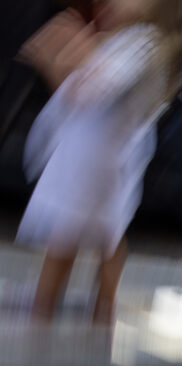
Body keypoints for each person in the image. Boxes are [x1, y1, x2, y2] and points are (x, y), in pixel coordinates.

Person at [15, 0, 165, 324]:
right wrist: (60, 57)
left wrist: (66, 50)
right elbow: (72, 93)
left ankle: (51, 312)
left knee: (73, 235)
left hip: (101, 162)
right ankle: (94, 311)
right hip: (85, 158)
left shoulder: (143, 43)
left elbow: (89, 90)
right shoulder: (115, 41)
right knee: (99, 236)